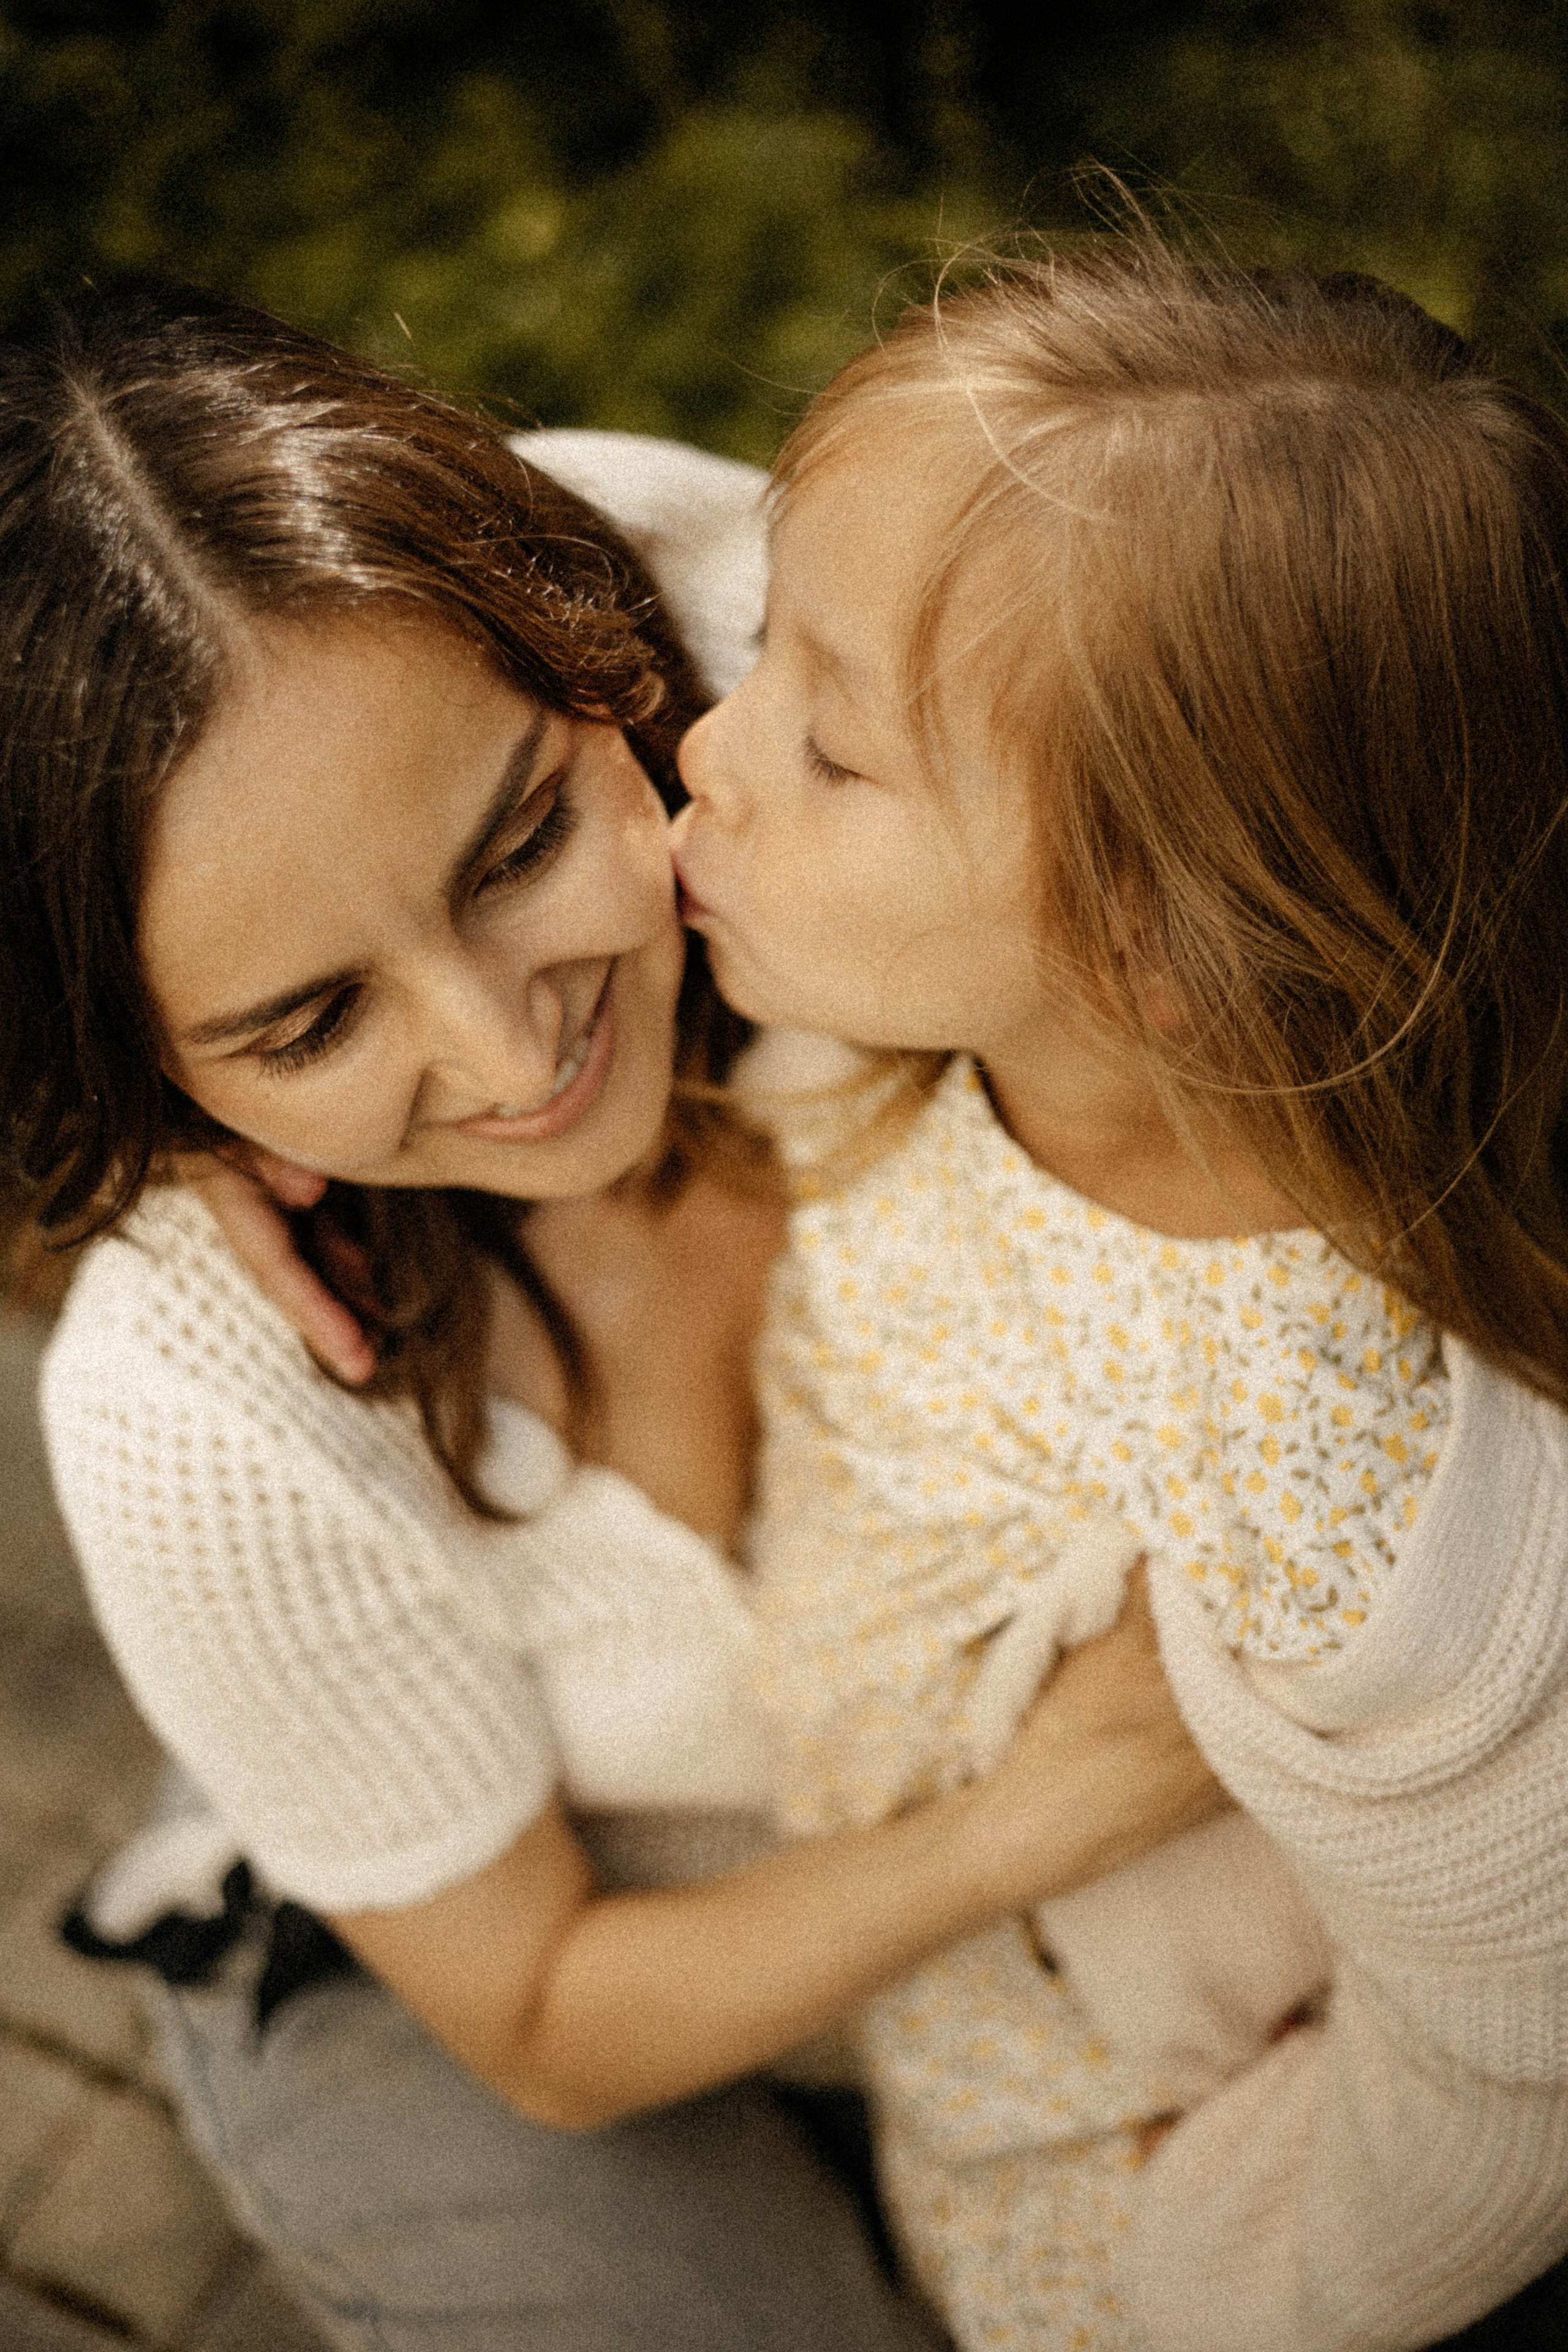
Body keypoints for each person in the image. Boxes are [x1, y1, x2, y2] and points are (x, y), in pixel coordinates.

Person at [0, 284, 1226, 2352]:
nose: (507, 1052)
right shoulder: (183, 1405)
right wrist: (1050, 1816)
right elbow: (546, 2024)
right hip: (463, 1954)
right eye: (310, 1016)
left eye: (523, 845)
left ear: (609, 670)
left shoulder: (715, 610)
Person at [663, 244, 1568, 2350]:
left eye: (832, 744)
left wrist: (1238, 2256)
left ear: (1175, 943)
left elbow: (1513, 2068)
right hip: (909, 1983)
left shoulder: (1356, 1489)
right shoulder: (895, 1015)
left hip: (1116, 2184)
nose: (709, 740)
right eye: (762, 655)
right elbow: (552, 530)